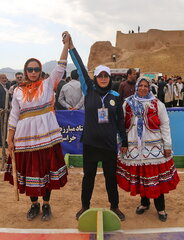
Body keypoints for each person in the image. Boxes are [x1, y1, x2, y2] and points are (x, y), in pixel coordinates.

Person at [4, 32, 69, 222]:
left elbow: (60, 67)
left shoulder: (48, 85)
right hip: (24, 138)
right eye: (29, 69)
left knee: (46, 171)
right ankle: (34, 204)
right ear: (25, 71)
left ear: (40, 71)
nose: (33, 72)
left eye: (36, 69)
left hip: (46, 138)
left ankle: (47, 205)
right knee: (30, 172)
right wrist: (10, 138)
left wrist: (66, 45)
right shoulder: (17, 91)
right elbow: (14, 115)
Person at [69, 36, 128, 221]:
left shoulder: (115, 96)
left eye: (106, 76)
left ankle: (115, 207)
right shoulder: (89, 90)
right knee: (89, 178)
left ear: (110, 78)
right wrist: (71, 47)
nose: (103, 78)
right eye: (100, 75)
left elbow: (120, 121)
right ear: (95, 78)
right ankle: (84, 206)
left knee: (111, 178)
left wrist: (124, 141)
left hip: (109, 144)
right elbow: (80, 68)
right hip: (91, 143)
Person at [117, 77, 180, 222]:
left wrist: (167, 145)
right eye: (141, 85)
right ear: (137, 87)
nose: (143, 88)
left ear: (149, 88)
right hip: (134, 147)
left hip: (154, 147)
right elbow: (121, 124)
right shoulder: (127, 103)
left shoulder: (157, 104)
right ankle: (144, 203)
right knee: (141, 176)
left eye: (146, 86)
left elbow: (164, 125)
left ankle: (161, 208)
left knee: (155, 178)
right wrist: (121, 143)